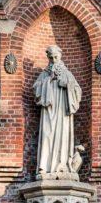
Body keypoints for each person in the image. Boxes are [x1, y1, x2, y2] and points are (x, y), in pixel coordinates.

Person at [33, 45, 82, 180]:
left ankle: (62, 166)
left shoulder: (67, 73)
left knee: (62, 135)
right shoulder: (44, 74)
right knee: (47, 134)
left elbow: (78, 91)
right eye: (51, 58)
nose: (54, 60)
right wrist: (48, 81)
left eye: (56, 57)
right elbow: (36, 90)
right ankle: (45, 166)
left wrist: (66, 85)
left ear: (60, 56)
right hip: (48, 111)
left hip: (62, 113)